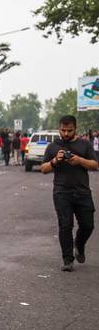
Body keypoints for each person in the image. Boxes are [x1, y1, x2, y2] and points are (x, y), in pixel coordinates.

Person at [42, 115, 98, 271]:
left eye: (69, 130)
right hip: (61, 193)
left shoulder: (84, 144)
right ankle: (67, 259)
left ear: (76, 129)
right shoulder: (53, 147)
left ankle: (79, 244)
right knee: (65, 226)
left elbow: (94, 165)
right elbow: (43, 169)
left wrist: (79, 160)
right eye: (63, 130)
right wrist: (54, 161)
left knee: (88, 225)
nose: (66, 134)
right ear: (59, 128)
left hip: (82, 192)